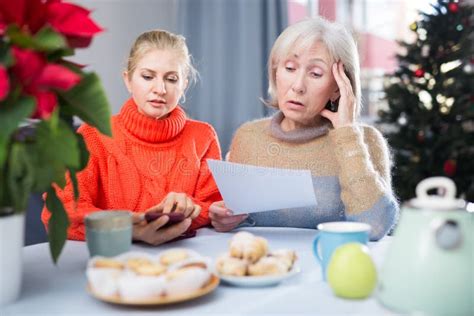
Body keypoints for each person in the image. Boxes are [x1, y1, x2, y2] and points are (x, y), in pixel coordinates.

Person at [209, 17, 399, 241]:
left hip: (331, 268)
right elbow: (236, 221)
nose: (297, 86)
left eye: (315, 74)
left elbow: (374, 228)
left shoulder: (364, 140)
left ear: (338, 88)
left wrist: (347, 134)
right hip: (264, 269)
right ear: (276, 71)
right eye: (290, 68)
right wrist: (224, 219)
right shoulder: (249, 137)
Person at [41, 30, 222, 245]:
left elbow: (215, 208)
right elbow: (58, 213)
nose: (160, 89)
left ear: (184, 85)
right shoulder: (93, 136)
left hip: (182, 262)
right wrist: (128, 230)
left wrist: (189, 207)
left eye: (171, 79)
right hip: (112, 263)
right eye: (147, 77)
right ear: (128, 80)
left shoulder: (203, 137)